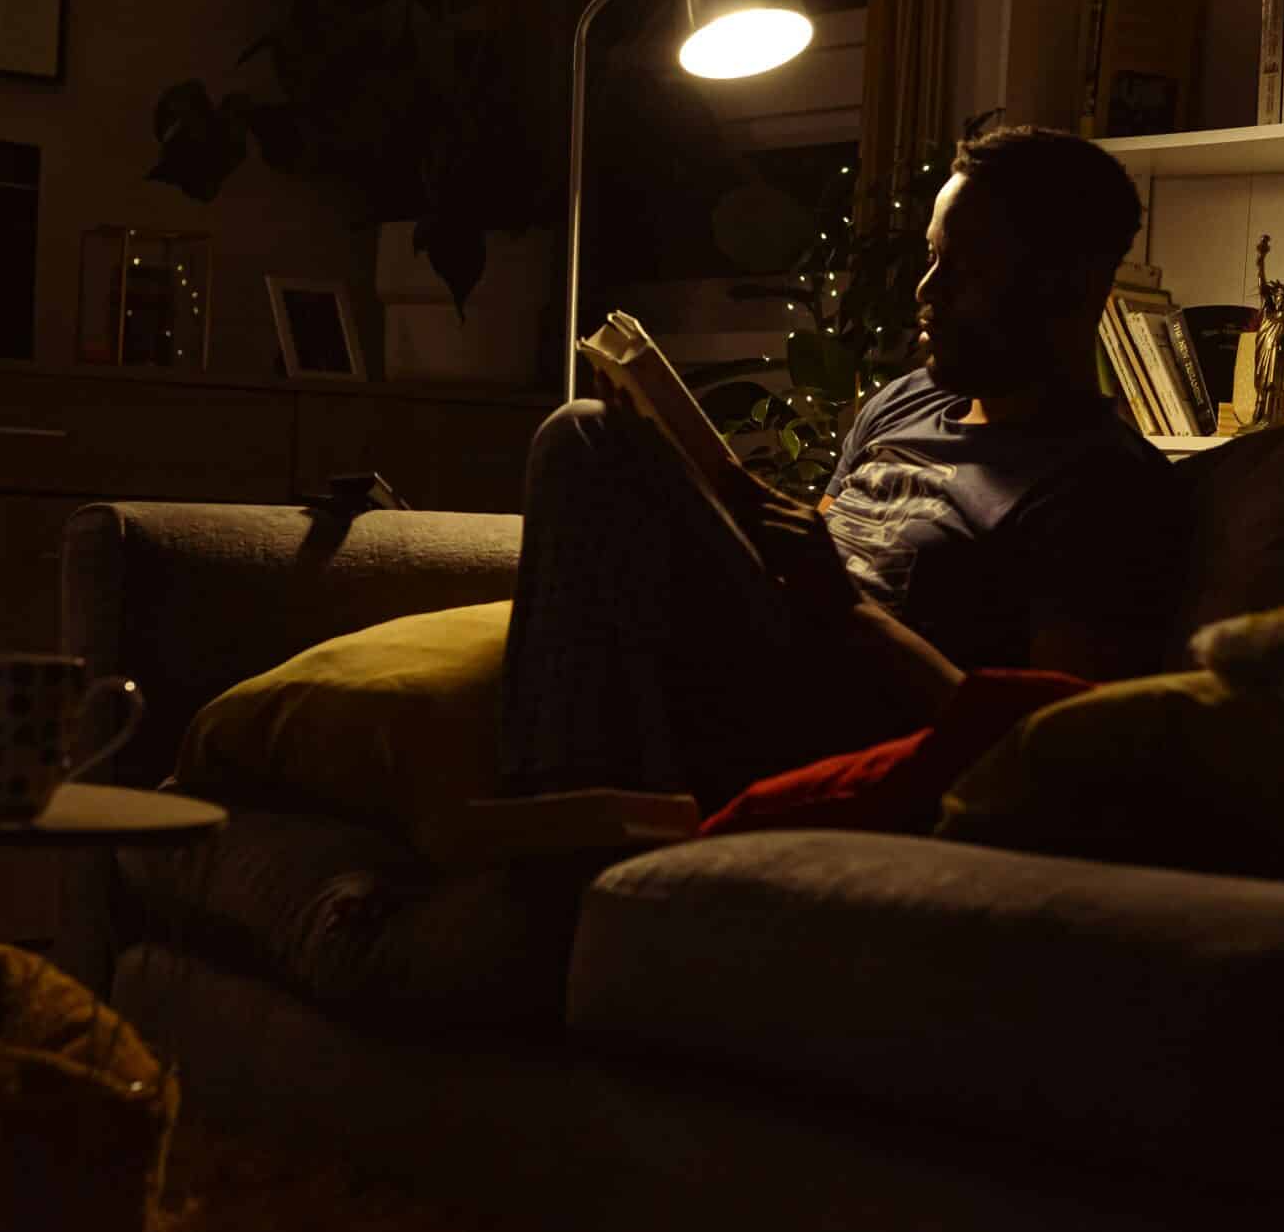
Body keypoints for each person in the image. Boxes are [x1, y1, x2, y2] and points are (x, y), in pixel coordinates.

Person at [498, 124, 1178, 812]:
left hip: (848, 726)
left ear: (1068, 286)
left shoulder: (1102, 486)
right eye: (931, 256)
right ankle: (577, 808)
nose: (926, 288)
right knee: (600, 444)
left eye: (965, 268)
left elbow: (1053, 748)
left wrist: (852, 612)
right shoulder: (905, 402)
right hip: (755, 658)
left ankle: (566, 814)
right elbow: (812, 549)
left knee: (580, 434)